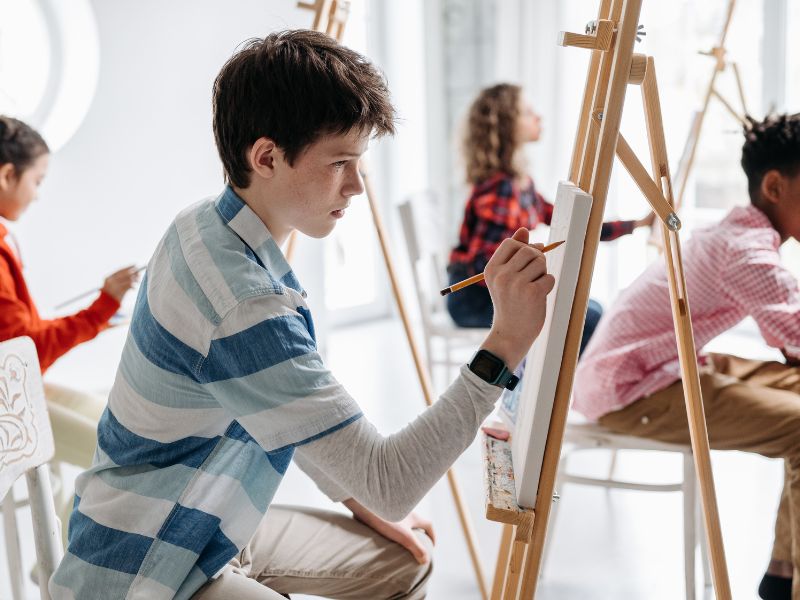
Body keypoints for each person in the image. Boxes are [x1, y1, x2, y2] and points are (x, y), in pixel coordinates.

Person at [49, 30, 556, 600]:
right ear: (265, 157)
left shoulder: (203, 224)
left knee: (401, 561)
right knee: (398, 534)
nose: (357, 186)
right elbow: (392, 483)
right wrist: (507, 341)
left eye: (358, 162)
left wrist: (358, 501)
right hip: (147, 565)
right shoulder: (242, 301)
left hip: (207, 519)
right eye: (340, 162)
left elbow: (286, 416)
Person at [573, 113, 800, 600]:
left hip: (662, 366)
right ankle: (788, 581)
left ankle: (783, 573)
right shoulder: (747, 250)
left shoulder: (740, 231)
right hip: (634, 389)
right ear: (776, 186)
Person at [0, 115, 139, 541]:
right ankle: (75, 569)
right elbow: (26, 349)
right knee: (123, 453)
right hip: (10, 401)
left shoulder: (5, 240)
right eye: (37, 181)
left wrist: (101, 311)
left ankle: (66, 559)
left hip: (21, 389)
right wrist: (102, 307)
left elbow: (18, 334)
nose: (38, 194)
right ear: (8, 174)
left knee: (116, 423)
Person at [447, 83, 654, 353]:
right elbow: (485, 267)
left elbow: (571, 222)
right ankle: (572, 393)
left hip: (494, 292)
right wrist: (537, 276)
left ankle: (575, 391)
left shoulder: (521, 184)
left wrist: (635, 225)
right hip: (475, 300)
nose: (538, 117)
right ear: (507, 126)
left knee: (592, 311)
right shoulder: (501, 189)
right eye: (527, 112)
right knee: (588, 320)